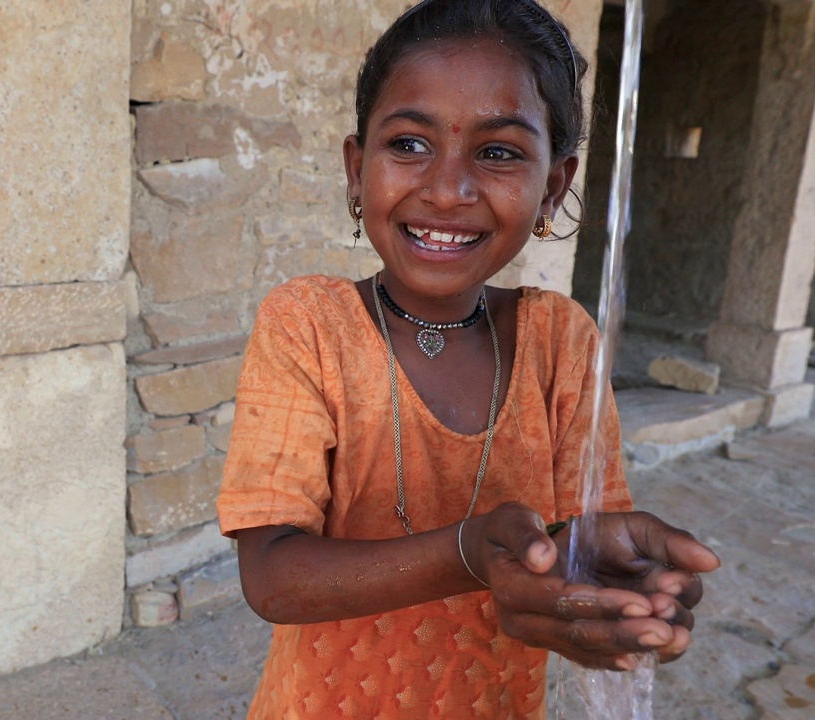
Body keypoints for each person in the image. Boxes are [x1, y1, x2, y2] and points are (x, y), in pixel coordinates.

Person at [215, 0, 721, 717]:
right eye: (410, 145)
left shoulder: (561, 342)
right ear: (356, 171)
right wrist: (472, 552)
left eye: (498, 152)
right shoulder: (310, 325)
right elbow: (271, 575)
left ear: (553, 186)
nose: (448, 189)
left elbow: (578, 541)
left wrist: (608, 585)